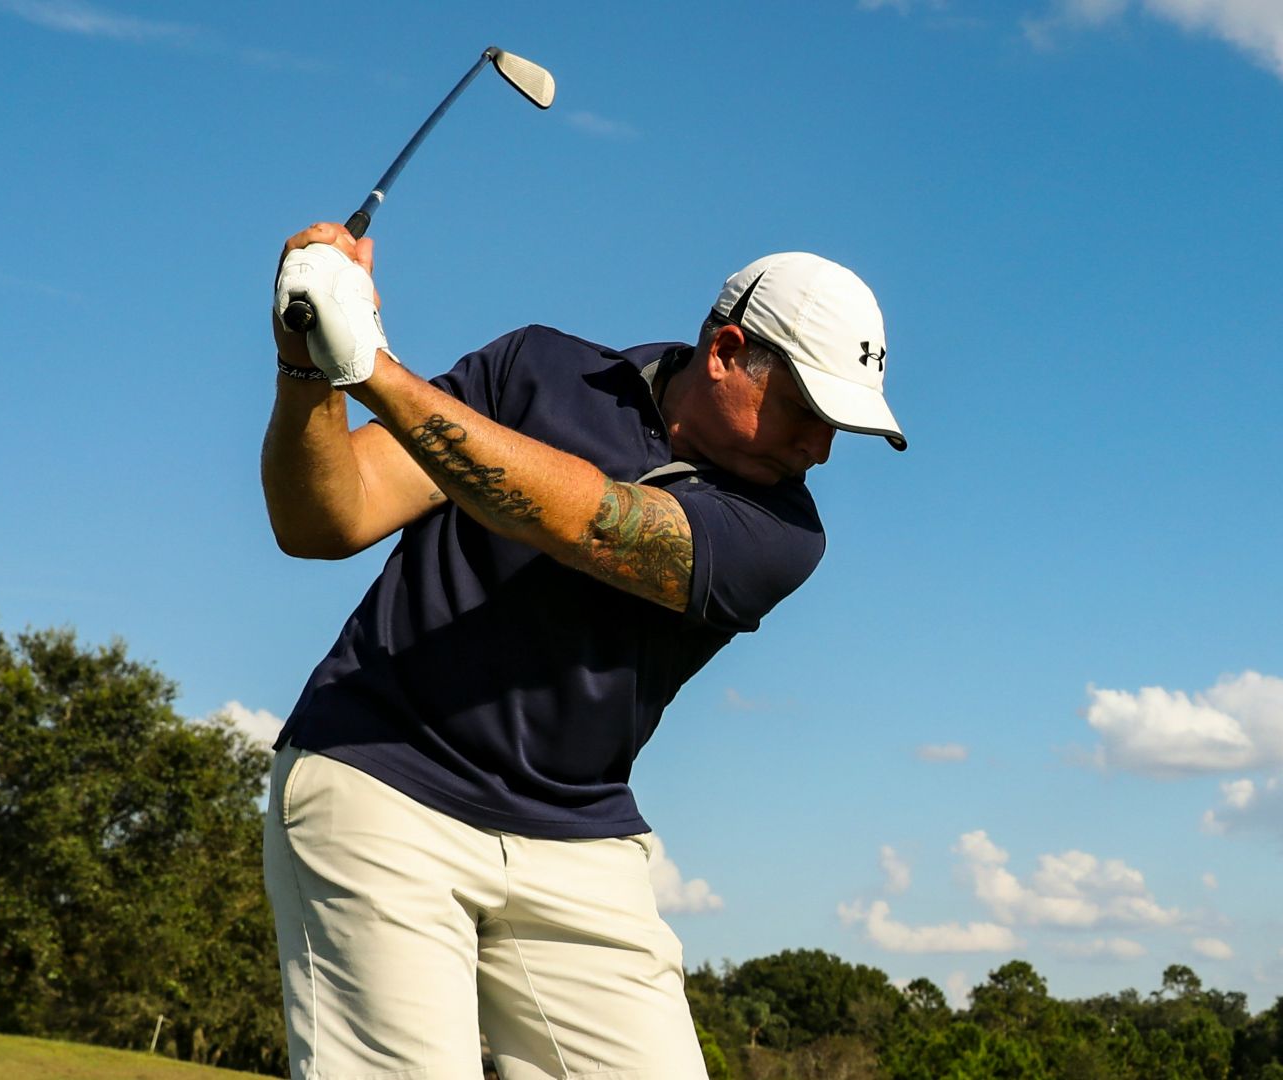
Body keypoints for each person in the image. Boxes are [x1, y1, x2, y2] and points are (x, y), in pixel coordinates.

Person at [258, 222, 906, 1079]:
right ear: (727, 350)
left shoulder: (784, 532)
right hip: (380, 779)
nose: (818, 448)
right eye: (806, 411)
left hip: (576, 836)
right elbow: (326, 520)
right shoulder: (536, 367)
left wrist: (374, 371)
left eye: (840, 428)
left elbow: (585, 520)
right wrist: (309, 367)